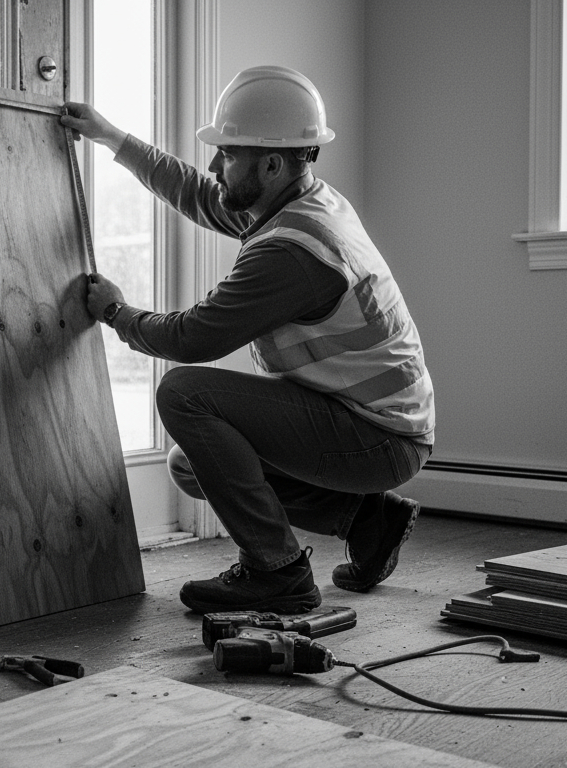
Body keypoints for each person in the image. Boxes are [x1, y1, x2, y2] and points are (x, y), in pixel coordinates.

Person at [61, 65, 435, 615]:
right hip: (368, 419)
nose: (215, 165)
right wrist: (112, 137)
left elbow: (193, 338)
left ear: (273, 162)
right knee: (192, 465)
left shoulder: (293, 250)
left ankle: (277, 570)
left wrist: (117, 313)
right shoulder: (297, 200)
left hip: (379, 437)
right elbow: (196, 192)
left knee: (183, 392)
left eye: (227, 154)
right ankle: (369, 521)